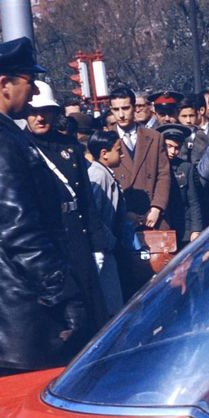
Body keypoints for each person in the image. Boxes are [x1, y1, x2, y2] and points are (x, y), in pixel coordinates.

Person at [0, 37, 86, 377]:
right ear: (4, 84)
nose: (34, 90)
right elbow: (20, 229)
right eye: (29, 80)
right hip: (22, 295)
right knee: (39, 394)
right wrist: (63, 293)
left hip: (1, 286)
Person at [26, 80, 108, 335]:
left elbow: (86, 200)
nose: (40, 118)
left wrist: (97, 245)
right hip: (46, 238)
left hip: (76, 234)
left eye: (46, 111)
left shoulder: (69, 147)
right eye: (34, 112)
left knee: (91, 308)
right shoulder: (20, 148)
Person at [108, 85, 172, 231]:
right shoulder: (106, 139)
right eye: (116, 110)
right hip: (123, 217)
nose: (121, 115)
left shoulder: (154, 137)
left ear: (134, 108)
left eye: (125, 108)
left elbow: (163, 174)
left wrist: (157, 207)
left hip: (153, 216)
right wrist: (124, 211)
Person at [87, 130, 126, 317]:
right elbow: (93, 213)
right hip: (103, 248)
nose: (122, 155)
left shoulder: (105, 174)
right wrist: (109, 241)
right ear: (104, 153)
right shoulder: (98, 175)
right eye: (118, 150)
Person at [158, 123, 203, 247]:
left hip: (183, 228)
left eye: (177, 148)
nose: (173, 152)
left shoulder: (185, 168)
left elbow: (193, 201)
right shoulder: (152, 167)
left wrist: (196, 229)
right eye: (168, 146)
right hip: (161, 228)